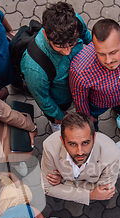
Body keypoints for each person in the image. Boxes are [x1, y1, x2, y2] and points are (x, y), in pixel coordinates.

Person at [20, 2, 92, 132]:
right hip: (60, 101)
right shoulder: (34, 67)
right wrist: (60, 116)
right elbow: (43, 99)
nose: (67, 52)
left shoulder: (75, 22)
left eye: (72, 43)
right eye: (60, 47)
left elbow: (87, 35)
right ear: (46, 35)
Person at [70, 19, 120, 130]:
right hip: (100, 102)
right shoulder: (80, 69)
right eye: (101, 54)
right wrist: (87, 118)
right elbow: (80, 98)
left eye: (113, 52)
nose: (108, 60)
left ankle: (119, 112)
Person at [41, 112, 120, 205]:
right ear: (62, 141)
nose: (80, 152)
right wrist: (90, 195)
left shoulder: (112, 155)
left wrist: (64, 182)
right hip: (89, 185)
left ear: (94, 138)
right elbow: (47, 188)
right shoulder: (50, 147)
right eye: (72, 144)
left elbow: (103, 191)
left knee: (105, 197)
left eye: (85, 143)